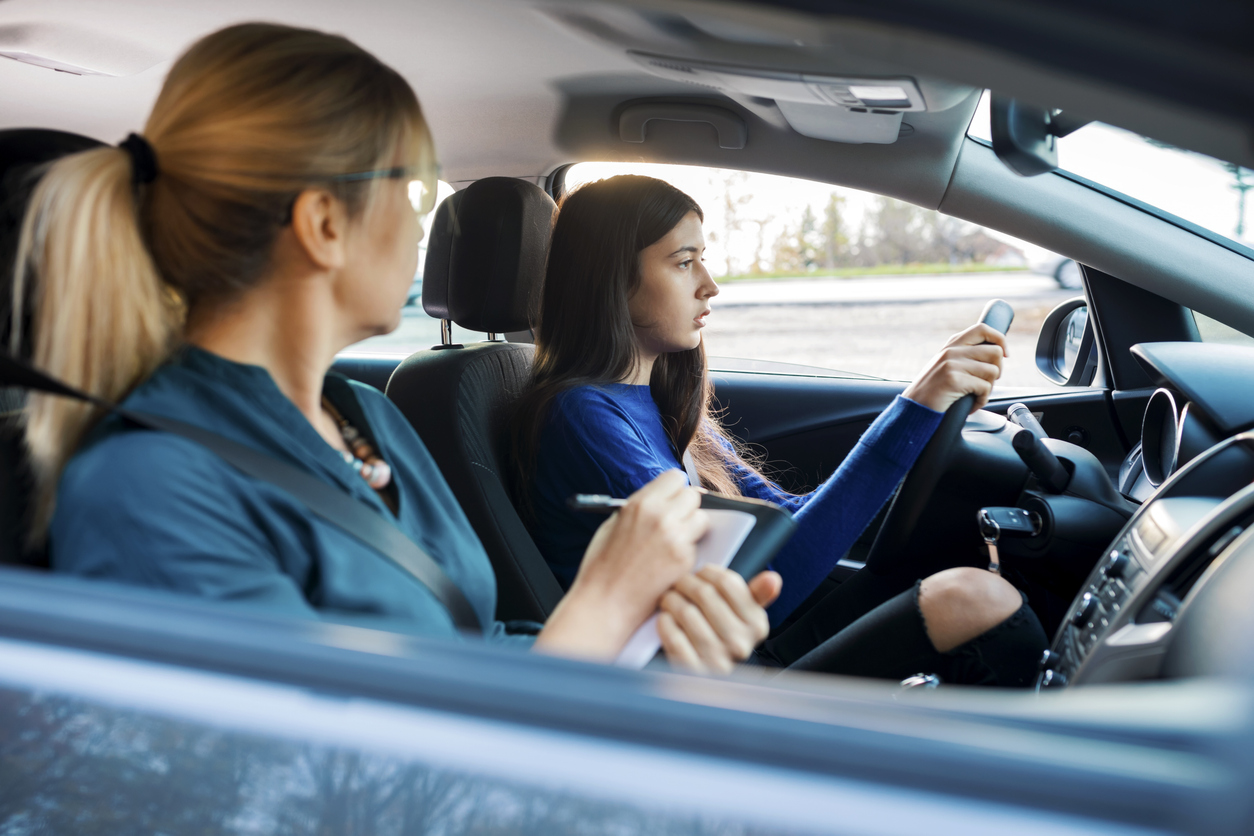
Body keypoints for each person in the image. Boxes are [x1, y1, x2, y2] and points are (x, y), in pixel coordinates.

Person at [12, 23, 775, 673]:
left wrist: (651, 638)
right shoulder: (147, 484)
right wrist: (602, 609)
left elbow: (465, 647)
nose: (422, 228)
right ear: (323, 223)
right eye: (412, 190)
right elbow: (307, 788)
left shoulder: (365, 418)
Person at [510, 175, 1048, 685]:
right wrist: (917, 405)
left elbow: (784, 521)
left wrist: (920, 416)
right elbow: (754, 589)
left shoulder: (658, 405)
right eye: (683, 263)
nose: (709, 286)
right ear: (612, 280)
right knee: (976, 600)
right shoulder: (584, 417)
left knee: (967, 582)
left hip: (740, 645)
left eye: (705, 260)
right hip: (697, 679)